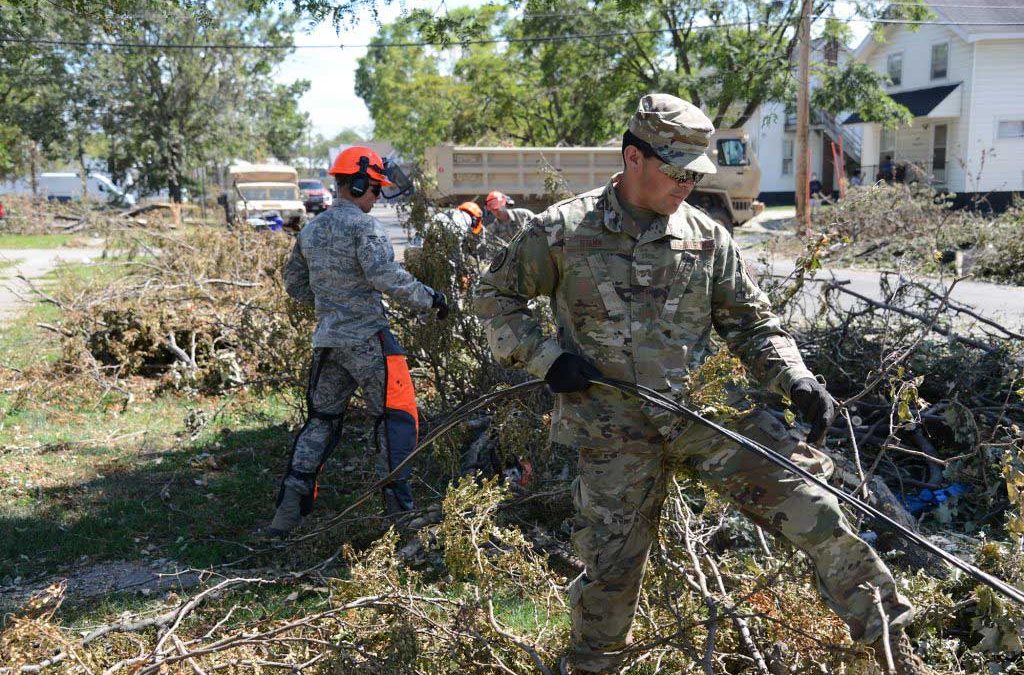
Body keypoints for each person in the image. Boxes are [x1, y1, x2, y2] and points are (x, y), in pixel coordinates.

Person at [475, 94, 930, 675]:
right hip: (611, 432)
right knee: (611, 579)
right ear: (633, 157)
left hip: (706, 416)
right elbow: (493, 299)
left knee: (817, 512)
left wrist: (795, 377)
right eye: (675, 171)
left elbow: (752, 322)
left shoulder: (707, 236)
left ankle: (897, 656)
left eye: (696, 173)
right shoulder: (564, 230)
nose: (687, 183)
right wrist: (545, 358)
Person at [265, 146, 450, 538]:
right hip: (369, 341)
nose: (377, 197)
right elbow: (386, 276)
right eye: (375, 190)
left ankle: (288, 511)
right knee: (397, 422)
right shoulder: (364, 228)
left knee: (320, 424)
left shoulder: (311, 230)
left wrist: (333, 302)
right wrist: (431, 299)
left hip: (328, 345)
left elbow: (295, 284)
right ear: (360, 183)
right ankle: (401, 521)